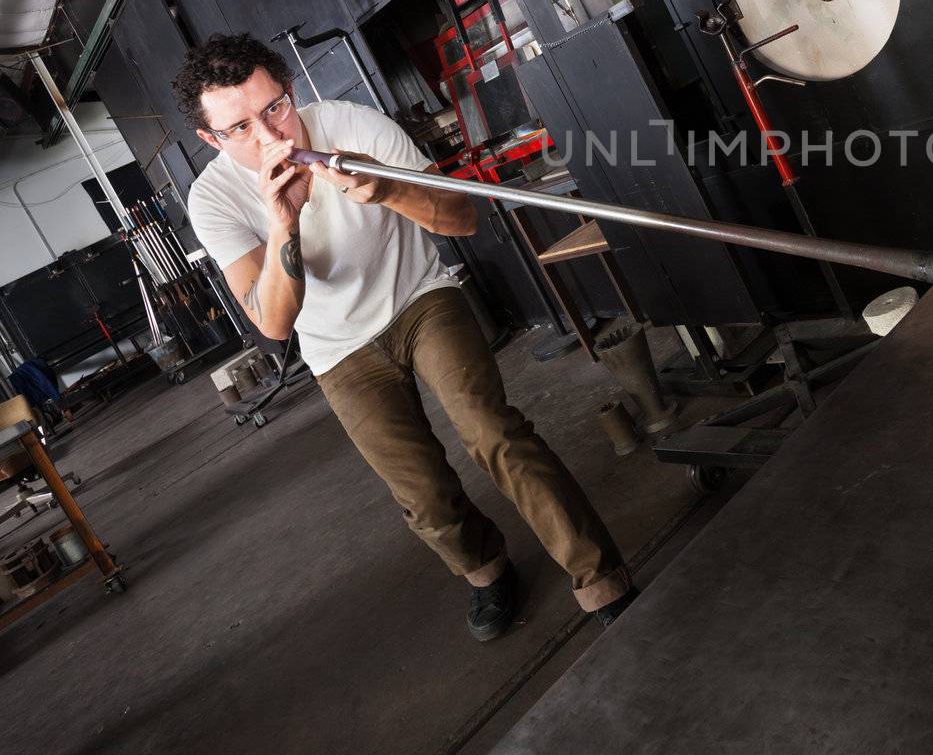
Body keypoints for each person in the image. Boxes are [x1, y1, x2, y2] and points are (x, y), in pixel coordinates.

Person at [172, 33, 633, 639]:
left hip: (419, 297)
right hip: (336, 348)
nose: (270, 137)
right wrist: (284, 222)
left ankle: (600, 578)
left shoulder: (351, 125)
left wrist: (386, 186)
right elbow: (274, 322)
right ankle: (487, 573)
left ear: (290, 92)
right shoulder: (212, 199)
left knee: (493, 432)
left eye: (275, 108)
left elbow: (462, 218)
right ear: (211, 138)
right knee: (420, 493)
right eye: (239, 128)